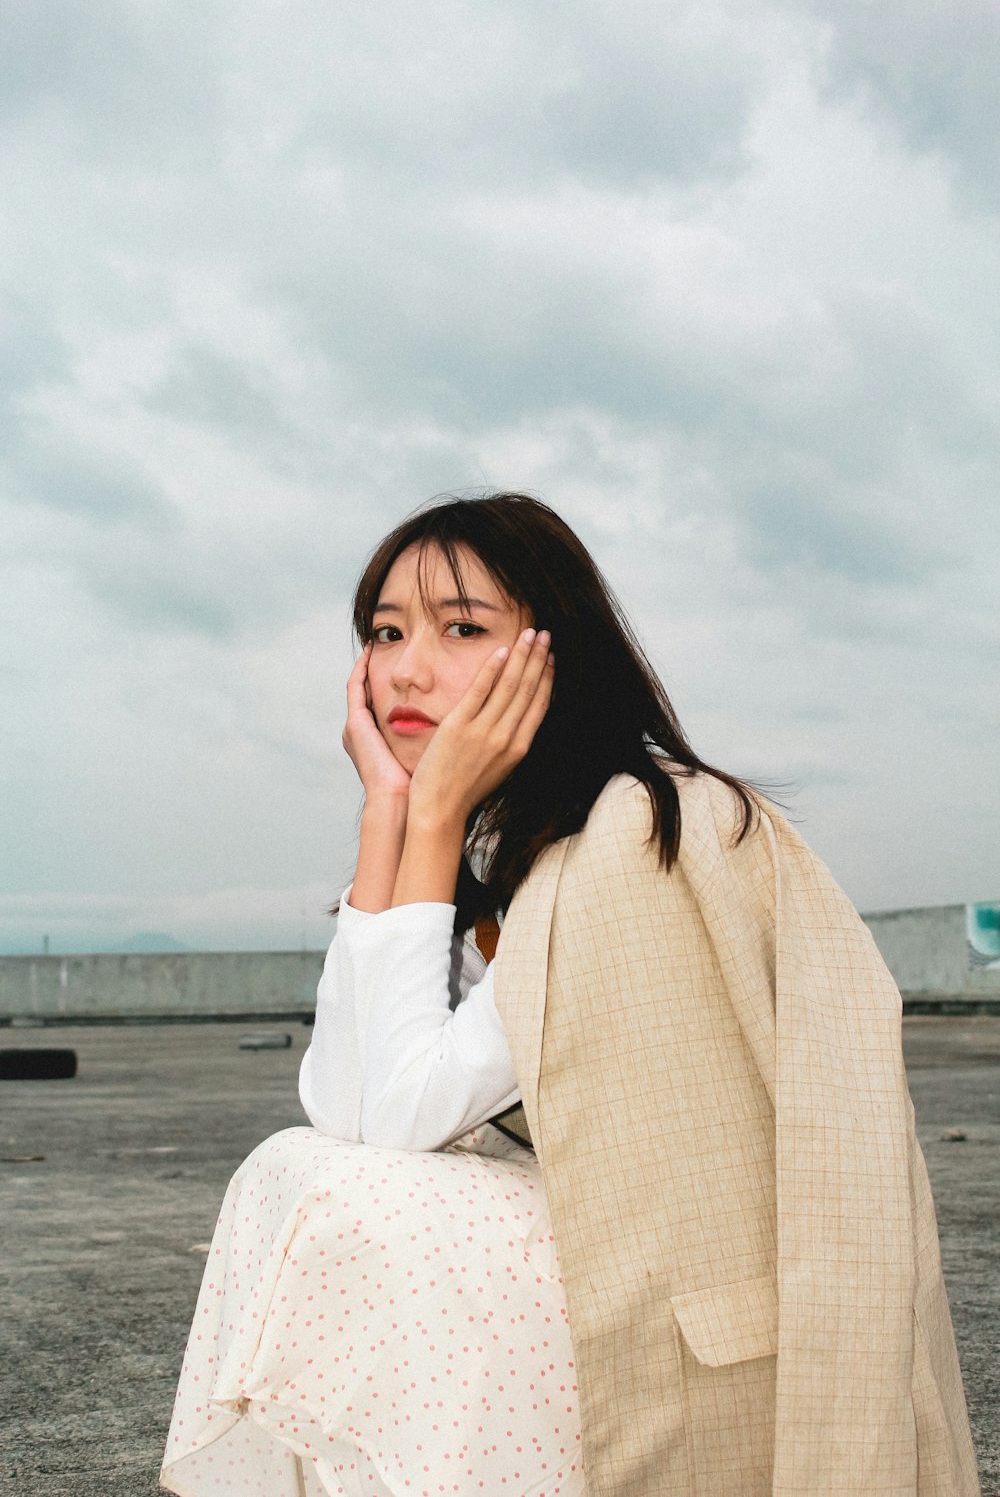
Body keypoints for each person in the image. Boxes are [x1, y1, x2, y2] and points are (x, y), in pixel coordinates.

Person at [161, 492, 980, 1497]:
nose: (405, 668)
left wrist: (425, 821)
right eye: (384, 633)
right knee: (303, 1170)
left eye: (462, 628)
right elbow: (344, 1109)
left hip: (677, 1321)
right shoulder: (511, 846)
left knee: (341, 1199)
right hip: (589, 1288)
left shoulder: (642, 834)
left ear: (554, 653)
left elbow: (401, 1121)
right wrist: (392, 814)